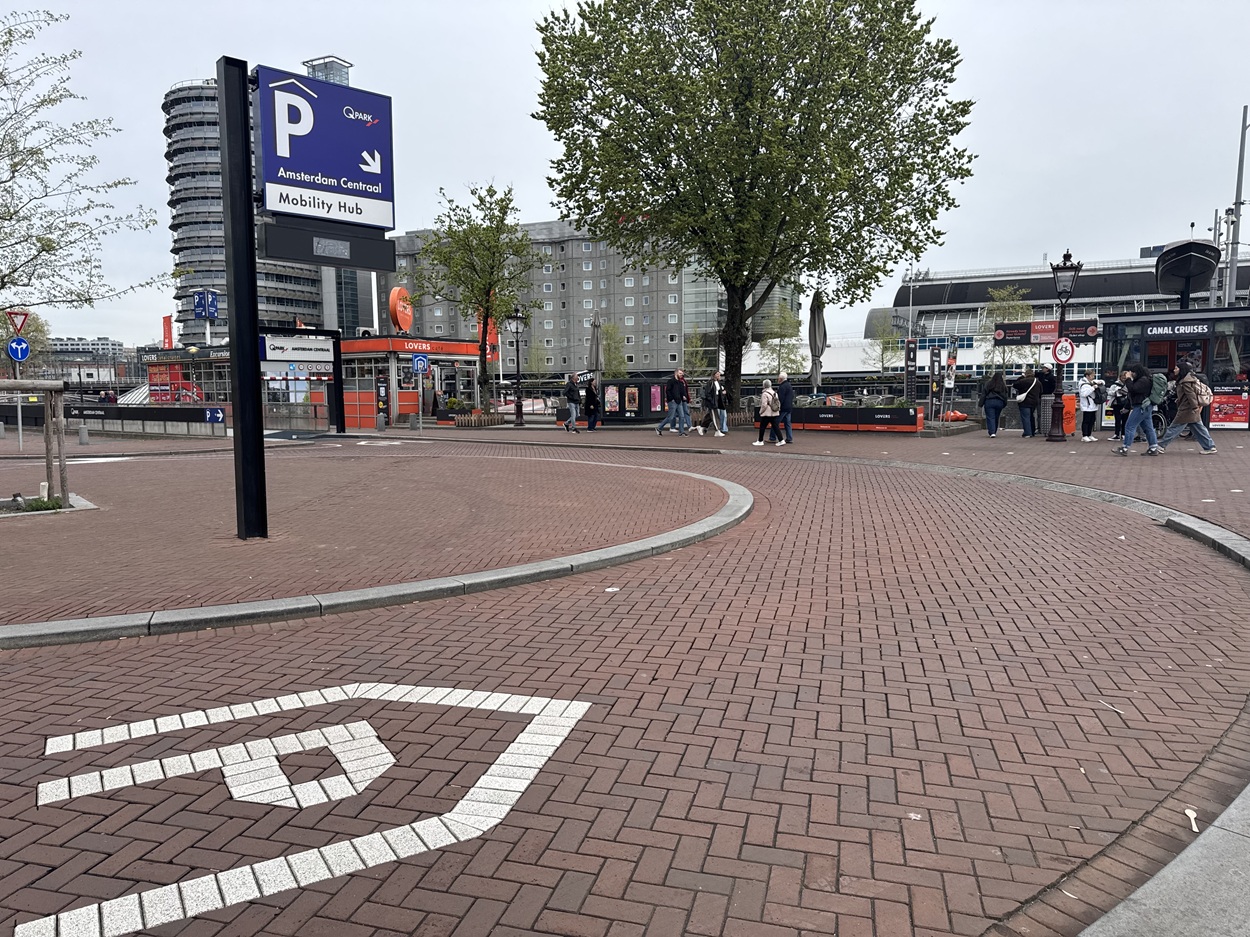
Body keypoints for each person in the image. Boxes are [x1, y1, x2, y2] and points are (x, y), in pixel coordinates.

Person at [1156, 362, 1217, 454]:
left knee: (1174, 427)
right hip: (1190, 409)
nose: (1174, 370)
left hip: (1187, 409)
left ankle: (1161, 446)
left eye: (1176, 368)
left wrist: (1194, 406)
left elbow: (1191, 395)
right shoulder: (1187, 380)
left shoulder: (1185, 382)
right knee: (1199, 428)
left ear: (1181, 370)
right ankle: (1210, 446)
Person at [1112, 362, 1160, 456]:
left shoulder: (1143, 381)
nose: (1131, 374)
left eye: (1132, 372)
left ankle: (1125, 448)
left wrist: (1128, 379)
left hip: (1141, 406)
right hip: (1145, 406)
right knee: (1148, 428)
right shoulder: (1145, 379)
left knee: (1130, 426)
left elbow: (1133, 389)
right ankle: (1153, 447)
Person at [655, 368, 691, 436]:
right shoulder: (671, 381)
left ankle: (681, 431)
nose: (681, 375)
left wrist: (683, 396)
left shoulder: (680, 382)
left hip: (679, 401)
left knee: (682, 416)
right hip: (672, 402)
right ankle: (659, 428)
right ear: (676, 373)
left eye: (682, 374)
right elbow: (668, 391)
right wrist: (671, 399)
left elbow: (682, 391)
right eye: (680, 373)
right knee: (670, 417)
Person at [978, 371, 1009, 437]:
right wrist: (1004, 404)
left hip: (989, 402)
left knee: (990, 417)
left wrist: (981, 403)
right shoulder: (1003, 386)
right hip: (999, 402)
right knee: (996, 417)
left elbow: (984, 394)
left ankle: (992, 432)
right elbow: (1005, 396)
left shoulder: (989, 384)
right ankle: (994, 431)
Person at [1012, 368, 1042, 437]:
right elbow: (1041, 391)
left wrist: (1021, 377)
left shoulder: (1023, 381)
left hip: (1025, 401)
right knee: (1031, 416)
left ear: (1026, 374)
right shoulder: (1037, 382)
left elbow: (1015, 385)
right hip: (1034, 402)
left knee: (1026, 417)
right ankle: (1032, 431)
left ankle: (1028, 433)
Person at [1077, 369, 1103, 442]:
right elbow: (1083, 394)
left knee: (1092, 420)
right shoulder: (1083, 384)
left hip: (1092, 404)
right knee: (1086, 420)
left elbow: (1102, 382)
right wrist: (1092, 388)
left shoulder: (1090, 382)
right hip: (1087, 405)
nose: (1093, 377)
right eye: (1092, 375)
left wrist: (1098, 382)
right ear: (1087, 376)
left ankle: (1089, 434)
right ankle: (1084, 435)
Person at [753, 379, 781, 446]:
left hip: (767, 413)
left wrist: (760, 412)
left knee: (762, 427)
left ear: (764, 385)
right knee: (775, 426)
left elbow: (764, 405)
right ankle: (781, 439)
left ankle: (760, 440)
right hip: (774, 412)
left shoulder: (765, 394)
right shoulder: (775, 393)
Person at [773, 372, 794, 446]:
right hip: (789, 407)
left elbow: (780, 398)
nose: (777, 379)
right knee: (787, 423)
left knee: (775, 423)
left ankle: (772, 437)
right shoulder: (789, 385)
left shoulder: (782, 387)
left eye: (778, 378)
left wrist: (777, 406)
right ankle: (789, 438)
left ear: (781, 379)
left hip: (783, 408)